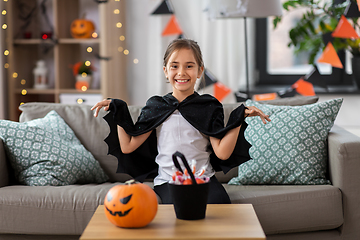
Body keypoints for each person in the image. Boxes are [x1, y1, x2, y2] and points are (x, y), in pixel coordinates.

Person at [91, 39, 270, 204]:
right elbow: (128, 146)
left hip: (204, 180)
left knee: (220, 209)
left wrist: (238, 117)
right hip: (169, 182)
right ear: (166, 71)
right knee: (181, 212)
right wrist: (119, 110)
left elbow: (222, 153)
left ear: (200, 70)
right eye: (174, 66)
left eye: (189, 66)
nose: (181, 72)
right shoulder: (156, 105)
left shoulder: (209, 106)